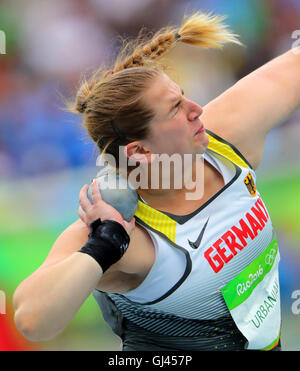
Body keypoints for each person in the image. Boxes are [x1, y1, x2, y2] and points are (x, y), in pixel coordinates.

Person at [13, 12, 300, 351]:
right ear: (141, 150)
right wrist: (102, 247)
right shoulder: (126, 232)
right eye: (176, 108)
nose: (196, 109)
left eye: (184, 95)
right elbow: (32, 320)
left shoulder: (225, 137)